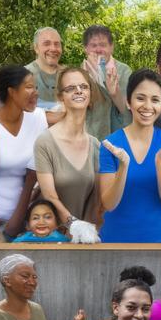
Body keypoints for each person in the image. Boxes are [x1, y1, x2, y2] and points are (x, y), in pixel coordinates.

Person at [98, 69, 161, 242]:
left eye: (155, 100)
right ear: (128, 102)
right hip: (115, 244)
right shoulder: (110, 145)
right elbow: (109, 204)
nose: (147, 106)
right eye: (140, 98)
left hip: (158, 245)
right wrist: (123, 166)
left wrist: (160, 161)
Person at [33, 66, 103, 240]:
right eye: (71, 88)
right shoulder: (45, 141)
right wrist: (73, 224)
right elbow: (49, 195)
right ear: (60, 97)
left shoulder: (95, 145)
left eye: (83, 86)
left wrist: (88, 229)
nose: (78, 91)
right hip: (49, 237)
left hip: (82, 240)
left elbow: (96, 199)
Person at [0, 65, 49, 239]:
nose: (36, 92)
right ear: (11, 91)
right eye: (29, 87)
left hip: (28, 221)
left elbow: (41, 170)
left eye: (36, 87)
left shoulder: (38, 117)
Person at [78, 25, 134, 141]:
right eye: (93, 45)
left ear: (111, 47)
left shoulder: (124, 70)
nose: (98, 50)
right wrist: (90, 75)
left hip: (118, 134)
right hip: (91, 135)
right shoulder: (80, 72)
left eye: (103, 45)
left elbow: (126, 109)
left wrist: (113, 91)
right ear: (86, 49)